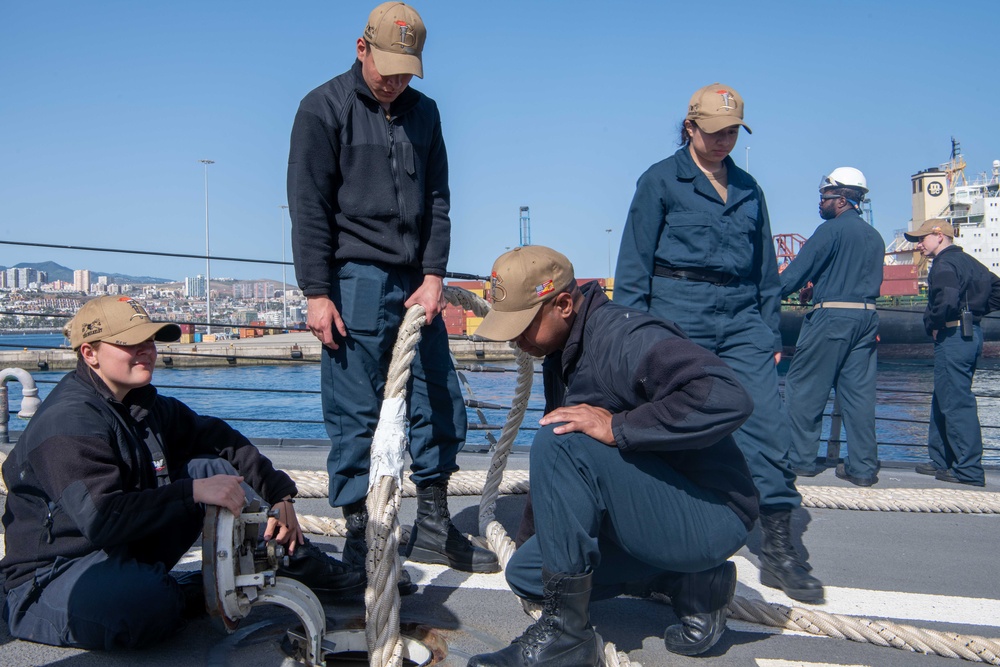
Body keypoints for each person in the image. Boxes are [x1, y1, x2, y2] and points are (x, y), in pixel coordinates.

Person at [0, 296, 364, 650]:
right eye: (130, 343)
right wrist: (191, 492)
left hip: (119, 548)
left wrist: (279, 494)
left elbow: (219, 438)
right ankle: (190, 589)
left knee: (213, 467)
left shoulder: (140, 404)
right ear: (89, 353)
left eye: (149, 340)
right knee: (147, 606)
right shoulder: (69, 422)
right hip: (52, 575)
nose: (146, 350)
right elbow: (101, 518)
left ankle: (286, 557)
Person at [467, 246, 759, 666]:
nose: (515, 338)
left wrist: (619, 427)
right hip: (652, 510)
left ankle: (568, 638)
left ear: (563, 304)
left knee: (561, 436)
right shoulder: (562, 352)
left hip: (711, 512)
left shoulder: (626, 338)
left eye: (523, 325)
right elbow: (559, 469)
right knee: (529, 574)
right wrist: (538, 544)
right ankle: (685, 578)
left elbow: (728, 396)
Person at [286, 1, 497, 576]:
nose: (396, 80)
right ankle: (361, 537)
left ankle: (432, 524)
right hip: (353, 278)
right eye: (388, 68)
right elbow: (308, 207)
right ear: (362, 48)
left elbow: (437, 200)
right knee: (355, 410)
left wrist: (434, 277)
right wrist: (316, 291)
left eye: (407, 70)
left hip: (416, 283)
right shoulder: (321, 108)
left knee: (438, 398)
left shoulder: (425, 114)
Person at [613, 82, 822, 602]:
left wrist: (769, 330)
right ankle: (664, 542)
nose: (724, 140)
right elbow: (634, 265)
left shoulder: (750, 189)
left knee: (766, 424)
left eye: (732, 131)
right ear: (690, 128)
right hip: (677, 311)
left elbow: (766, 270)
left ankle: (778, 545)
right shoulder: (659, 181)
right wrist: (637, 334)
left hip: (743, 319)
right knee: (676, 421)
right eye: (715, 132)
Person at [779, 168, 885, 487]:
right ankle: (863, 468)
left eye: (824, 197)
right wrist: (821, 286)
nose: (820, 203)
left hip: (831, 319)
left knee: (804, 386)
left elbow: (792, 276)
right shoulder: (874, 237)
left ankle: (801, 460)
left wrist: (759, 295)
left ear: (840, 200)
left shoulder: (830, 231)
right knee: (858, 395)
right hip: (867, 318)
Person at [904, 219, 1000, 487]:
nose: (919, 244)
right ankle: (942, 460)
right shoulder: (969, 261)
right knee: (944, 395)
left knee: (956, 402)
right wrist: (975, 310)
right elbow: (998, 290)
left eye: (922, 239)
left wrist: (936, 324)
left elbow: (945, 299)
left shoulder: (944, 264)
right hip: (971, 334)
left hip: (953, 336)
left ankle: (968, 470)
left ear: (939, 236)